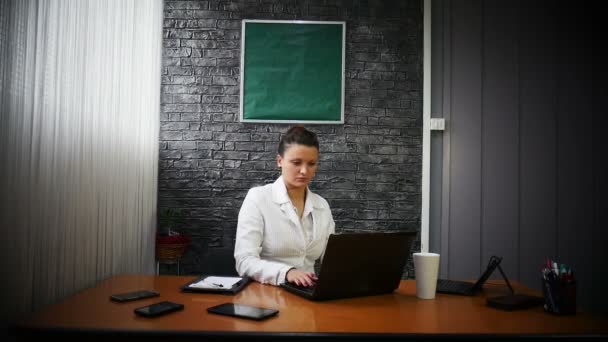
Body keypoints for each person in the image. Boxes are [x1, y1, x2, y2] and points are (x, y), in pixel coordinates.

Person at [234, 126, 335, 287]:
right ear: (280, 161)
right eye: (296, 162)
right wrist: (286, 272)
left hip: (309, 294)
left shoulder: (321, 205)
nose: (304, 171)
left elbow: (332, 260)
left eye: (311, 163)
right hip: (267, 293)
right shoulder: (258, 198)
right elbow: (244, 262)